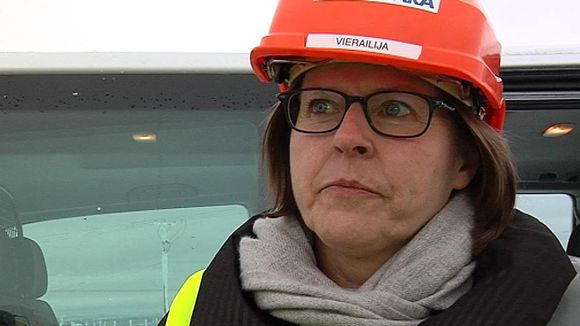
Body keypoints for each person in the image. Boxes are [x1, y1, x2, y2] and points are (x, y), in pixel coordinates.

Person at [159, 0, 577, 325]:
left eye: (395, 109)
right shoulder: (198, 306)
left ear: (465, 160)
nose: (347, 138)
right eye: (320, 105)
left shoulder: (565, 304)